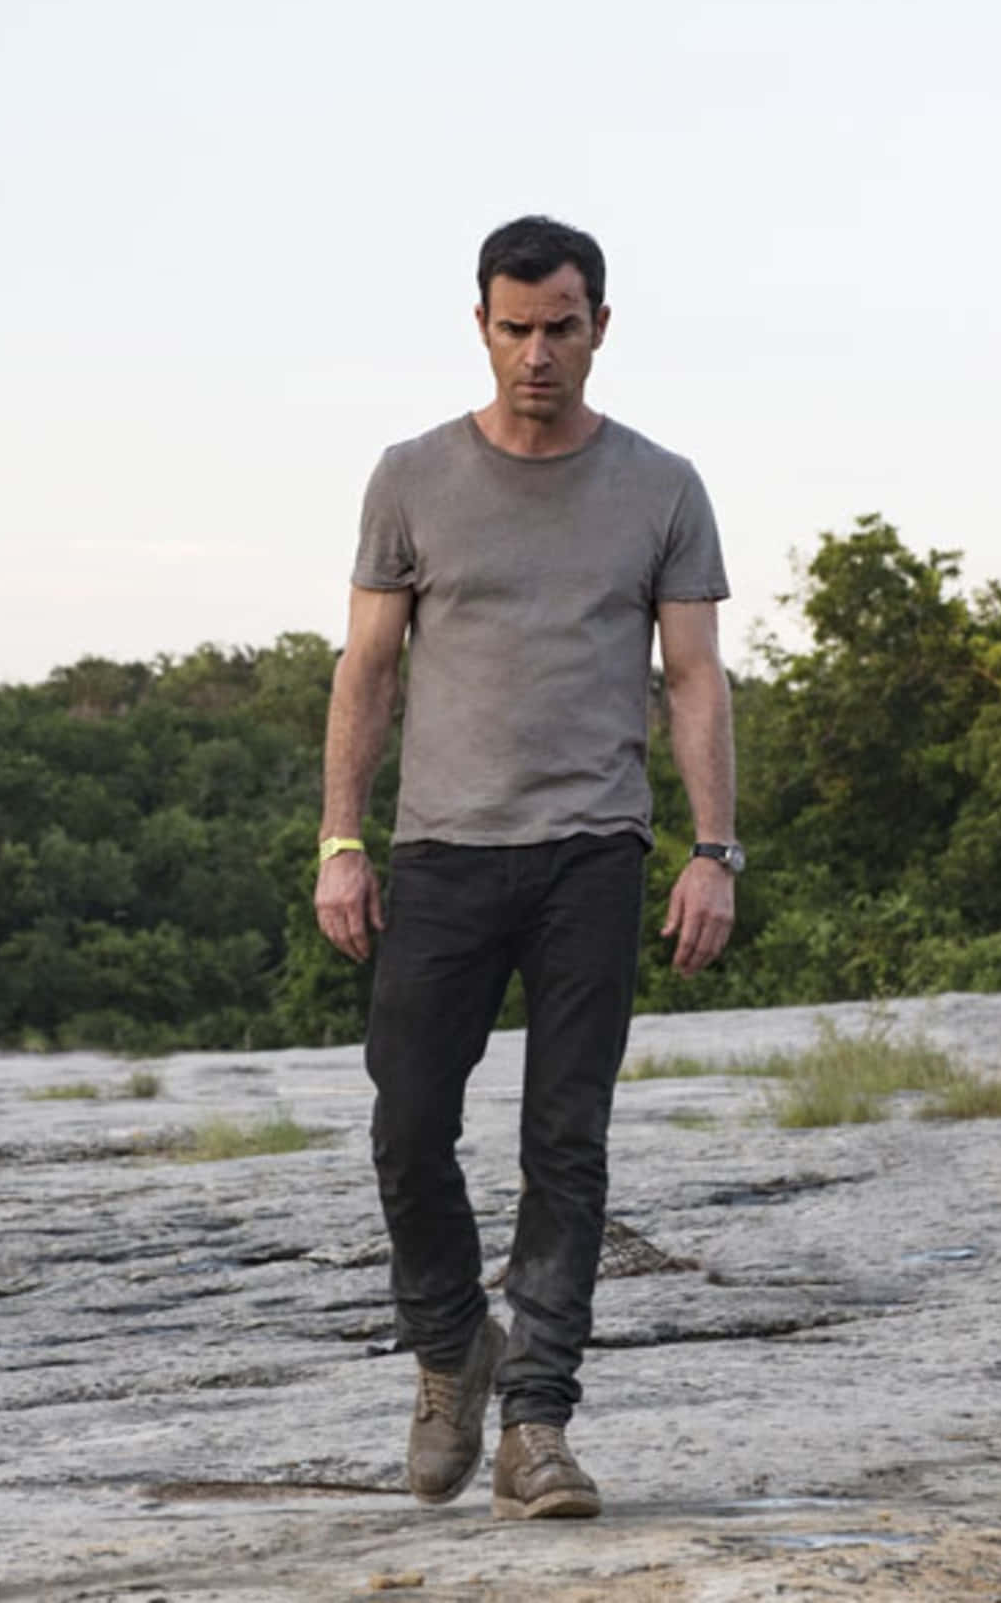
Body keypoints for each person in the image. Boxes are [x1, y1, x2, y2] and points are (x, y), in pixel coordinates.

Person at [314, 215, 740, 1521]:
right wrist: (341, 838)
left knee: (569, 1143)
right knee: (405, 1123)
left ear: (599, 327)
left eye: (562, 327)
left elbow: (697, 677)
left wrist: (712, 849)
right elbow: (368, 671)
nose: (537, 353)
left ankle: (537, 1426)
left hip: (593, 856)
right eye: (515, 328)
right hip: (443, 851)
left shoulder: (661, 486)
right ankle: (453, 1350)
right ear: (482, 326)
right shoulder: (411, 476)